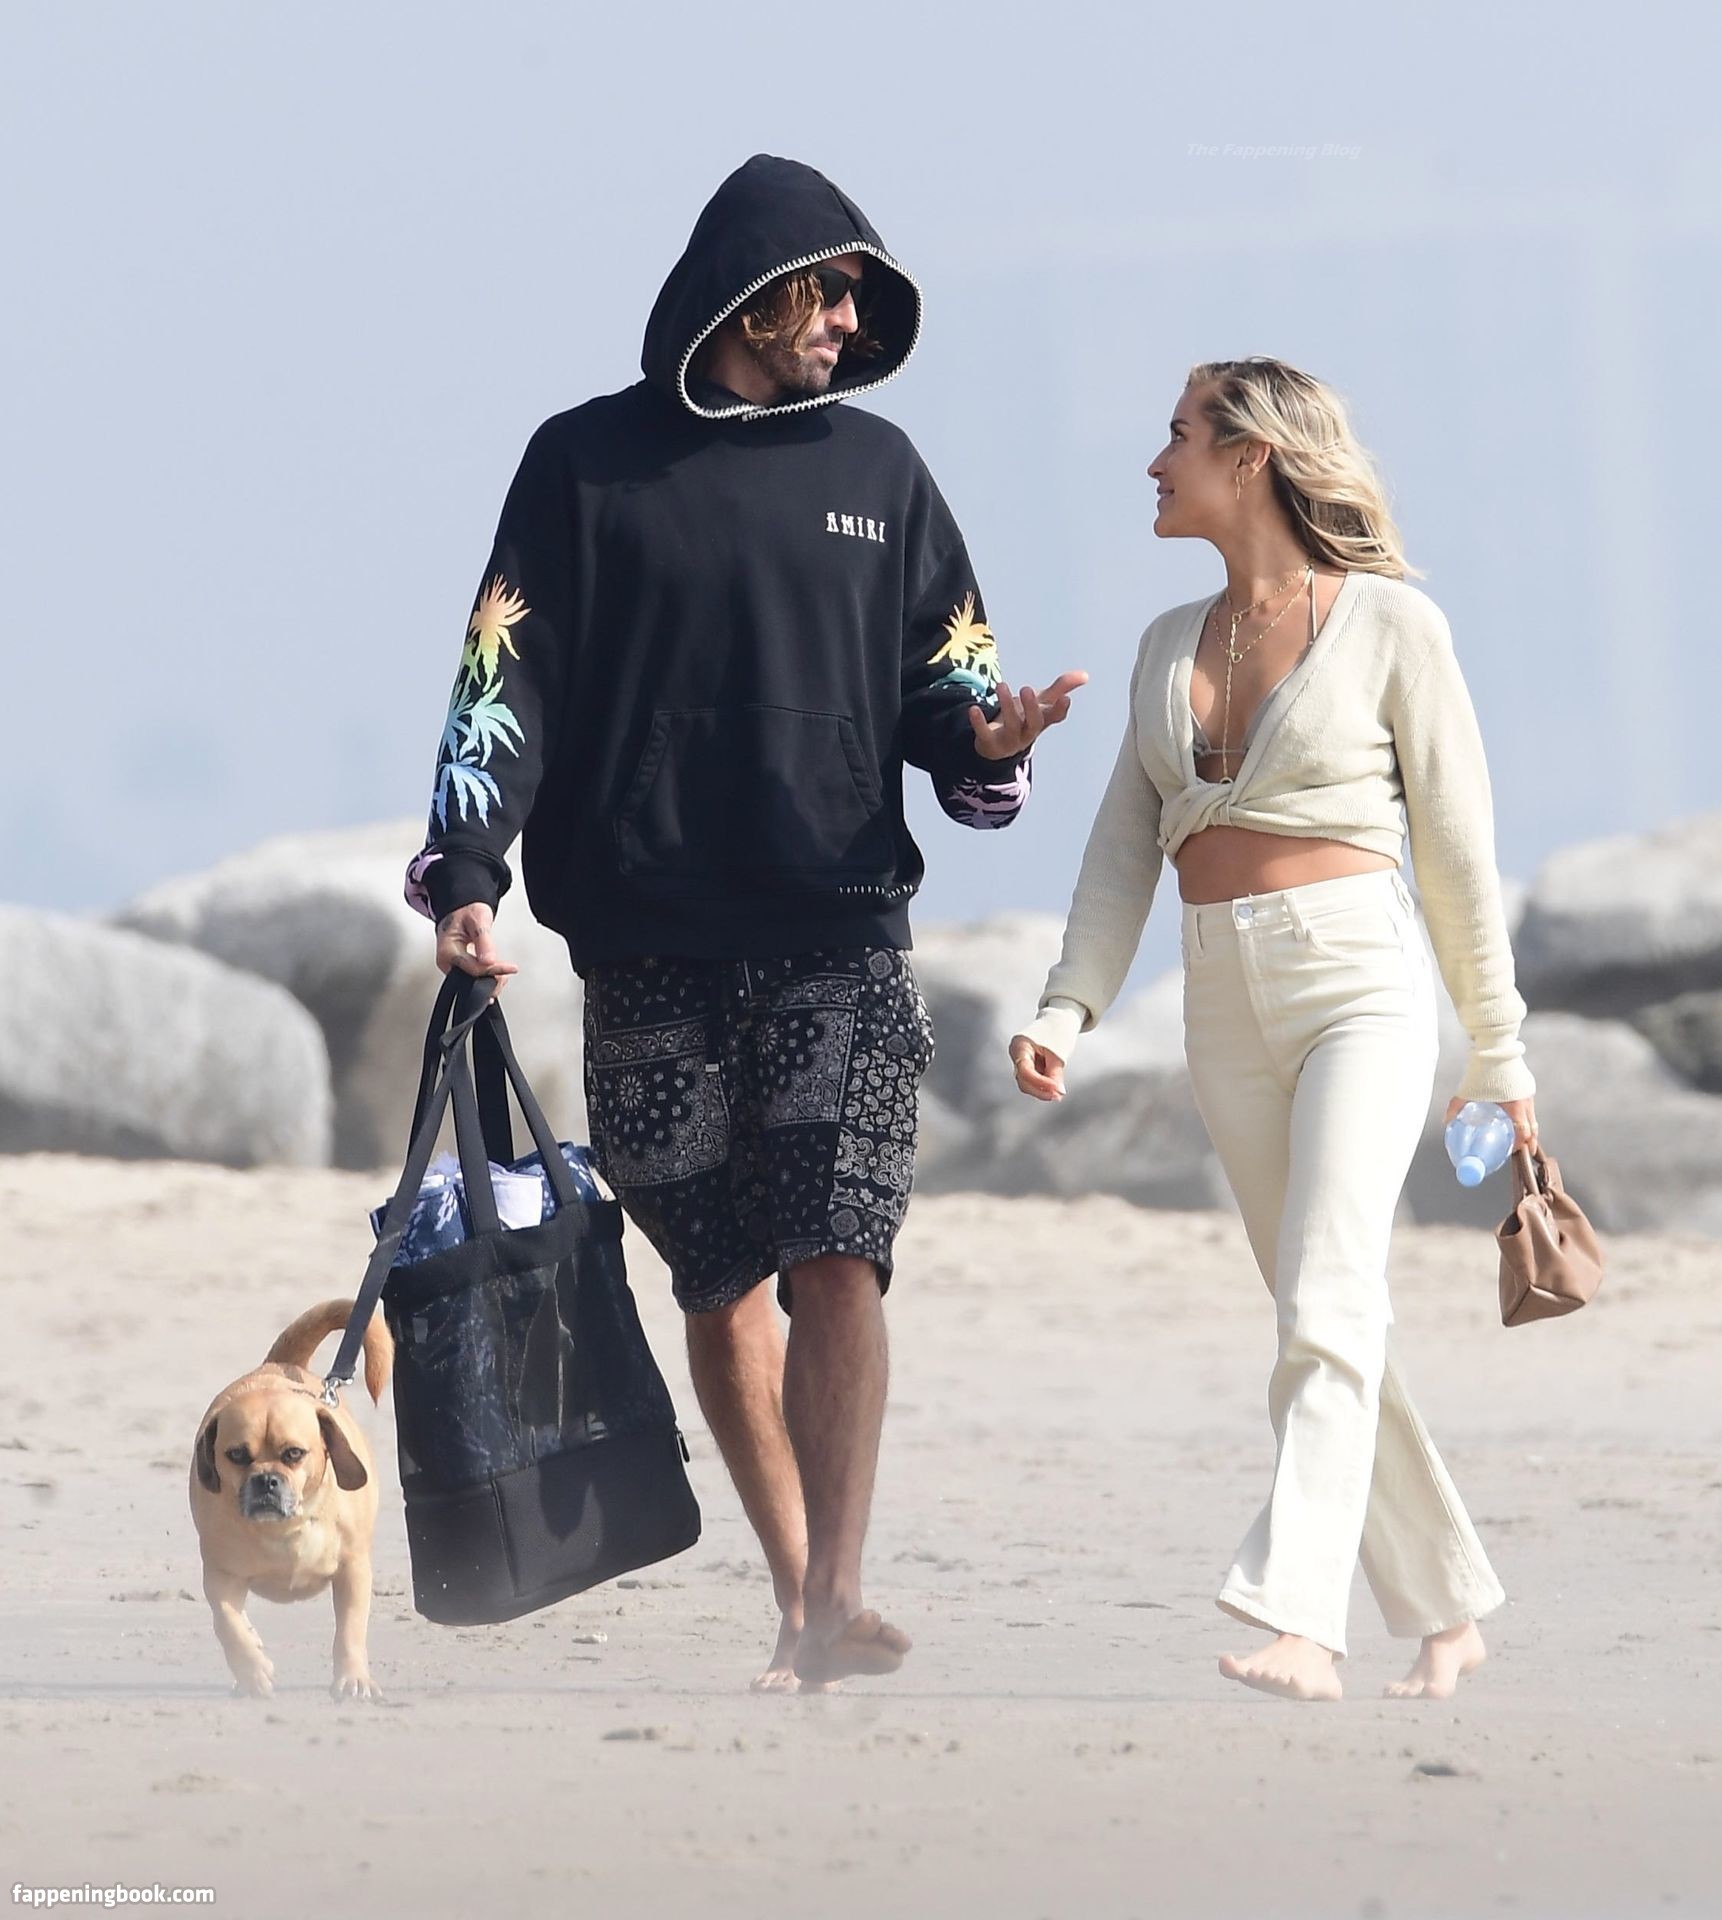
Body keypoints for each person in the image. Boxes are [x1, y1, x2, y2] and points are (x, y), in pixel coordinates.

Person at [404, 154, 1086, 1691]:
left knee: (839, 1251)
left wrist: (988, 741)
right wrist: (465, 876)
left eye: (857, 301)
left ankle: (838, 1592)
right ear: (750, 296)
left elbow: (950, 687)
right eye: (828, 294)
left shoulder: (882, 471)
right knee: (714, 1280)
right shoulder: (583, 465)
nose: (849, 322)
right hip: (642, 935)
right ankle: (794, 1599)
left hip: (839, 928)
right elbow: (505, 679)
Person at [1010, 357, 1533, 1704]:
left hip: (1359, 981)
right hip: (1218, 996)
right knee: (1321, 1303)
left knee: (1326, 1299)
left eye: (1178, 435)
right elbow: (1121, 849)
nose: (1154, 462)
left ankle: (1301, 1617)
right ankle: (1448, 1606)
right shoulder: (1162, 645)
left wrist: (1499, 1051)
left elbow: (1458, 852)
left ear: (1249, 456)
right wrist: (1068, 1005)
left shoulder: (1392, 624)